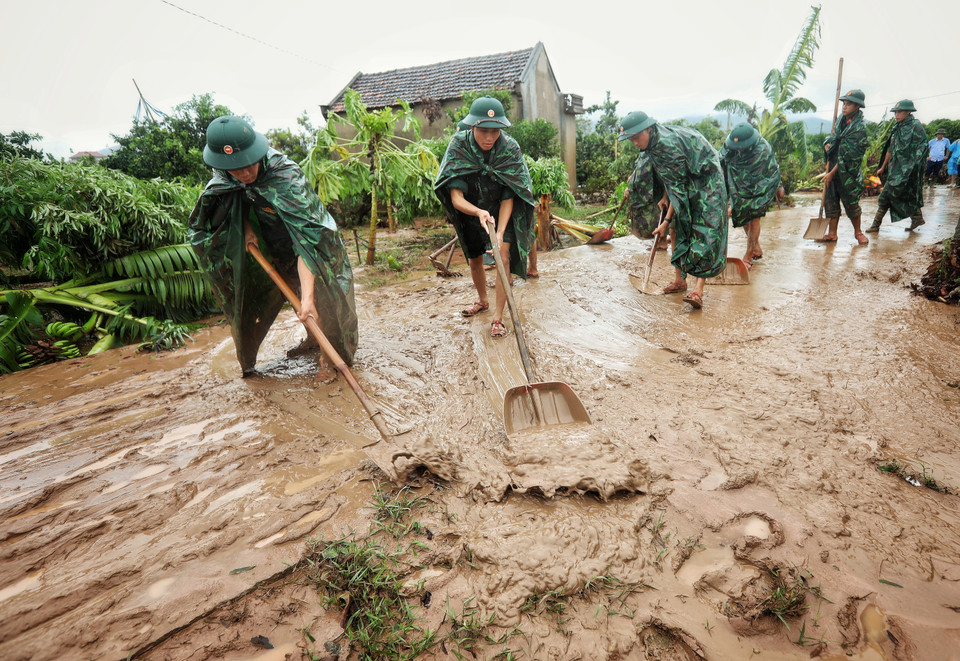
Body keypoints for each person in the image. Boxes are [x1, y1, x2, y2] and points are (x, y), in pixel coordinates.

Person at [189, 115, 358, 377]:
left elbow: (307, 241)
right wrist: (246, 228)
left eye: (248, 164)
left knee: (320, 302)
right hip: (274, 246)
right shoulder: (226, 174)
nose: (244, 173)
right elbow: (233, 203)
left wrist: (309, 297)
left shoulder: (285, 175)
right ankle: (313, 339)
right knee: (296, 296)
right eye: (235, 169)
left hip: (314, 246)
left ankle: (329, 358)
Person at [435, 97, 536, 338]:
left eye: (495, 131)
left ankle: (498, 318)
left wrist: (500, 232)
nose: (489, 137)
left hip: (501, 210)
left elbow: (509, 195)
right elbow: (456, 197)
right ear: (472, 127)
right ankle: (482, 300)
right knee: (475, 257)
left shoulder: (510, 148)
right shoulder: (459, 146)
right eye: (483, 131)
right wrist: (478, 212)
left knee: (502, 256)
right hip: (471, 209)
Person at [618, 111, 728, 309]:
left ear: (648, 130)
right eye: (631, 139)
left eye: (636, 137)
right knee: (678, 229)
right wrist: (665, 197)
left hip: (707, 180)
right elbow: (674, 178)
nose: (634, 143)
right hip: (688, 177)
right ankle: (680, 281)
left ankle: (698, 291)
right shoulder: (652, 146)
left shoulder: (666, 146)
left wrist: (665, 221)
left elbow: (680, 186)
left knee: (704, 230)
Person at [719, 122, 784, 264]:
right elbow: (720, 161)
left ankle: (748, 255)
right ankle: (756, 248)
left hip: (762, 183)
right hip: (740, 184)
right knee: (743, 216)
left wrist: (731, 208)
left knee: (753, 214)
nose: (739, 150)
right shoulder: (730, 144)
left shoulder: (761, 150)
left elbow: (753, 185)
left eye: (741, 147)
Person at [819, 89, 869, 244]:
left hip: (848, 171)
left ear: (857, 106)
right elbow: (834, 137)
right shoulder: (841, 119)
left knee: (851, 202)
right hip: (833, 165)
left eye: (848, 104)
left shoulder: (859, 128)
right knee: (830, 200)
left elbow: (849, 156)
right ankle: (832, 233)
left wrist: (832, 173)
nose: (844, 106)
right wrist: (828, 144)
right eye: (844, 103)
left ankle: (858, 232)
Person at [869, 100, 927, 233]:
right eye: (895, 112)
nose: (896, 115)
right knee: (902, 194)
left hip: (908, 170)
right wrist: (883, 167)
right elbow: (890, 148)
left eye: (899, 112)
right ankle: (917, 218)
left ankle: (875, 225)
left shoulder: (916, 126)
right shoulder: (897, 128)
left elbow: (922, 147)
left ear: (908, 112)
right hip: (895, 169)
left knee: (887, 195)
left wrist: (911, 166)